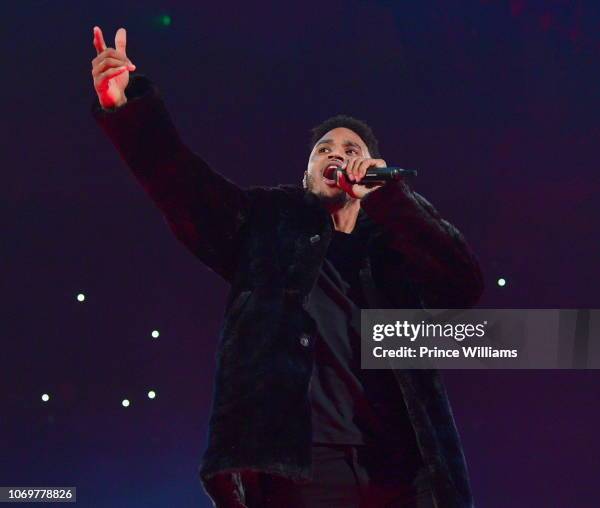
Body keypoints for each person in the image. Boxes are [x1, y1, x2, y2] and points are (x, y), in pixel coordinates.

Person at [90, 26, 484, 508]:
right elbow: (179, 181)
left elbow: (463, 285)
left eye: (352, 150)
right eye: (325, 150)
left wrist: (394, 200)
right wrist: (127, 108)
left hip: (400, 468)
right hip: (299, 468)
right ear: (307, 173)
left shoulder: (396, 244)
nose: (338, 153)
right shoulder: (264, 224)